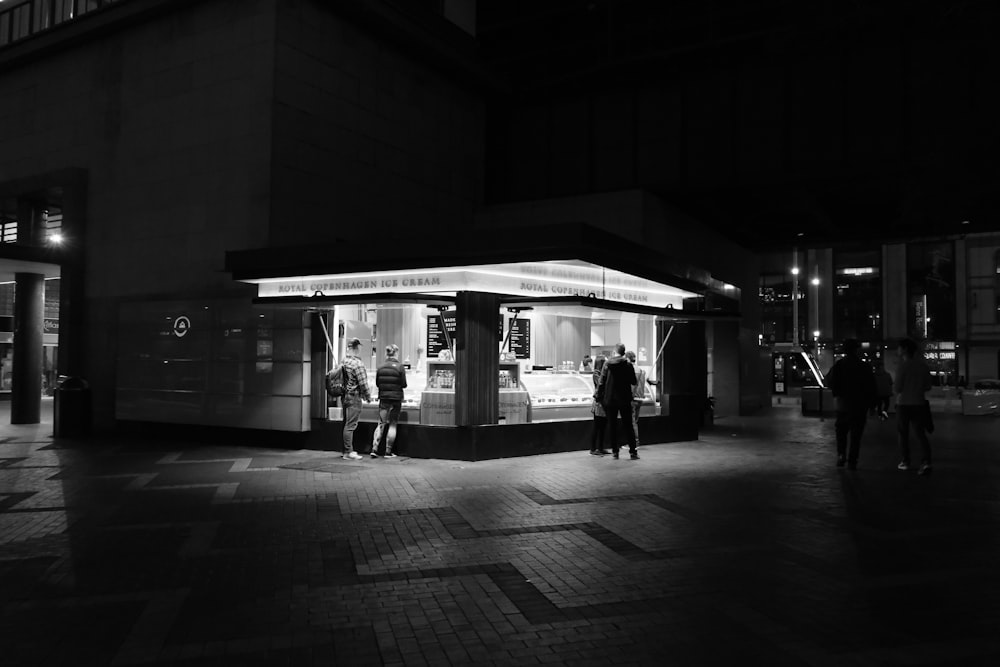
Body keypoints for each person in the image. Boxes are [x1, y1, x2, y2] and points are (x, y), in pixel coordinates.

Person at [824, 338, 876, 470]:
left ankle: (841, 455)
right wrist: (871, 405)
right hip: (859, 405)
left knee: (841, 432)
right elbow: (871, 386)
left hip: (843, 404)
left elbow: (829, 382)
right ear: (856, 349)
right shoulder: (864, 366)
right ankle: (853, 460)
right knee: (856, 434)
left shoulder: (839, 365)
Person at [895, 337, 933, 475]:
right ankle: (926, 461)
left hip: (903, 403)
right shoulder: (922, 366)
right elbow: (928, 386)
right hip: (919, 403)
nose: (897, 350)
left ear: (904, 349)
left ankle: (905, 461)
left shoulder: (903, 366)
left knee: (903, 433)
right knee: (920, 434)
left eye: (899, 347)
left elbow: (897, 387)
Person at [596, 343, 639, 460]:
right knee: (628, 425)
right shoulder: (628, 365)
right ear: (624, 352)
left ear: (615, 351)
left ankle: (615, 451)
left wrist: (598, 396)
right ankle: (633, 452)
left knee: (612, 425)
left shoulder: (607, 364)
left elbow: (601, 382)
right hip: (624, 398)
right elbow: (633, 381)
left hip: (610, 399)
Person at [372, 343, 407, 458]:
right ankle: (388, 451)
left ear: (386, 354)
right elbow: (404, 384)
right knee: (392, 424)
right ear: (396, 353)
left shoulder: (380, 367)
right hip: (396, 399)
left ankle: (374, 449)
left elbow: (377, 383)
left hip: (383, 398)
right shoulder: (400, 367)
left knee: (381, 423)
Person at [341, 337, 372, 461]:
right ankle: (349, 452)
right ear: (356, 348)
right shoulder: (357, 364)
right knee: (350, 425)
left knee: (346, 424)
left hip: (345, 396)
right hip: (354, 396)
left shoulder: (344, 361)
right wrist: (368, 396)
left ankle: (345, 450)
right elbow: (363, 383)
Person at [625, 350, 647, 448]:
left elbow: (630, 385)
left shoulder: (630, 370)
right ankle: (635, 441)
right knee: (635, 421)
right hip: (640, 398)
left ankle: (634, 443)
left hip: (632, 398)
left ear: (628, 359)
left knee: (632, 422)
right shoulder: (641, 370)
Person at [589, 356, 610, 456]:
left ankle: (601, 447)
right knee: (597, 426)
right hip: (599, 403)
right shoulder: (596, 374)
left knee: (603, 426)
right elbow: (600, 385)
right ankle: (593, 448)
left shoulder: (602, 374)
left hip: (604, 403)